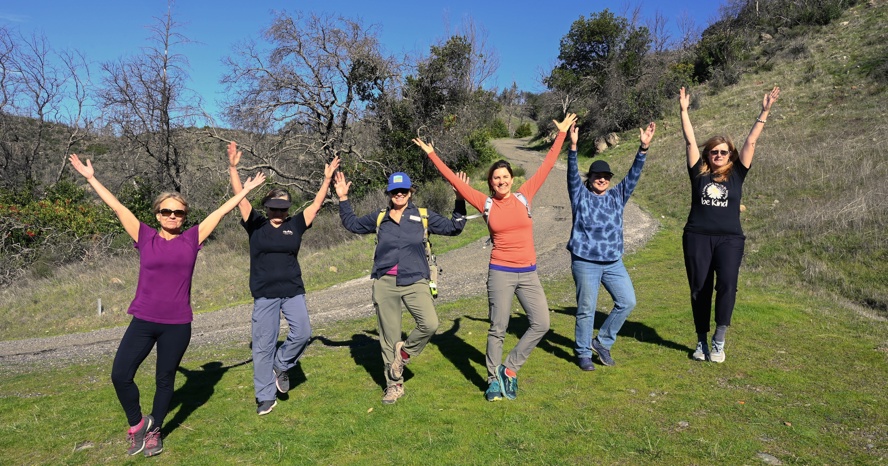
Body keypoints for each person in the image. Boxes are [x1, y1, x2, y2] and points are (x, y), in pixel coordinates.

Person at [68, 153, 265, 457]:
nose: (173, 216)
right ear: (157, 214)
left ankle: (155, 431)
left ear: (185, 217)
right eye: (167, 211)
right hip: (143, 320)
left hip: (177, 324)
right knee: (120, 374)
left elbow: (222, 211)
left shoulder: (192, 239)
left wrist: (244, 191)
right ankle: (138, 424)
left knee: (165, 380)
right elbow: (117, 206)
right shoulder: (144, 236)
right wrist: (90, 177)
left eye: (179, 213)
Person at [413, 112, 578, 402]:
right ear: (491, 182)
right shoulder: (486, 203)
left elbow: (548, 164)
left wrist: (561, 134)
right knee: (498, 328)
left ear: (512, 180)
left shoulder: (525, 196)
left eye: (505, 176)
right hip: (500, 272)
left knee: (541, 323)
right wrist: (432, 154)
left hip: (528, 272)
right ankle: (492, 380)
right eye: (496, 177)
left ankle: (510, 370)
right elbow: (453, 179)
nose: (501, 181)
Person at [334, 170, 467, 404]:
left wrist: (460, 199)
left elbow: (454, 227)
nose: (399, 194)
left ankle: (403, 354)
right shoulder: (380, 217)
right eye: (395, 191)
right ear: (389, 193)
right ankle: (394, 385)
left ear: (410, 192)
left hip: (415, 280)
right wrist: (343, 198)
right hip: (385, 282)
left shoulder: (422, 216)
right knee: (389, 336)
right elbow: (352, 224)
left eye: (403, 190)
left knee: (429, 323)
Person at [227, 141, 339, 415]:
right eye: (274, 208)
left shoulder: (296, 225)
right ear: (266, 208)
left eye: (282, 209)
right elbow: (240, 198)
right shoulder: (255, 224)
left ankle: (282, 364)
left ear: (288, 209)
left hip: (293, 291)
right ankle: (265, 396)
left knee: (303, 332)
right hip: (265, 294)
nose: (278, 213)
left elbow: (316, 203)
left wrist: (326, 179)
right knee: (263, 346)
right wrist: (233, 169)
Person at [678, 85, 780, 363]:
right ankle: (701, 341)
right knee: (699, 288)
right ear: (708, 155)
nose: (719, 155)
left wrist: (764, 112)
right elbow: (689, 143)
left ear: (730, 155)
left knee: (727, 285)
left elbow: (751, 143)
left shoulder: (738, 174)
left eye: (723, 152)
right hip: (697, 237)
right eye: (714, 152)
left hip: (729, 239)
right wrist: (684, 111)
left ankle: (719, 340)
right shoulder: (698, 174)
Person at [567, 121, 656, 371]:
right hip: (585, 261)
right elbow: (572, 175)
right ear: (590, 179)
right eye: (597, 176)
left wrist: (643, 149)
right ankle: (583, 352)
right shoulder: (580, 195)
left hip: (613, 261)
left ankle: (602, 341)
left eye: (606, 177)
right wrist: (573, 148)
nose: (602, 180)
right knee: (586, 309)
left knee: (627, 301)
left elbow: (633, 176)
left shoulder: (618, 196)